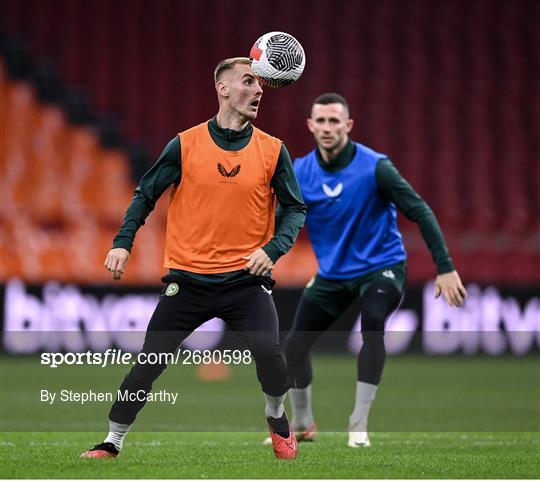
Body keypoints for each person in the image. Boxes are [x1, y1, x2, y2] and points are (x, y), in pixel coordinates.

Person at [80, 58, 306, 460]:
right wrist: (122, 242)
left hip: (245, 282)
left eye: (260, 85)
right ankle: (112, 441)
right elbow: (145, 193)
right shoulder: (185, 144)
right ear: (222, 88)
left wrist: (272, 250)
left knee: (270, 355)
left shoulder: (273, 151)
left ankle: (276, 415)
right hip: (187, 282)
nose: (259, 90)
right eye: (248, 82)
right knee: (148, 364)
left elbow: (295, 209)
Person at [283, 93, 467, 447]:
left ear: (348, 126)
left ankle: (358, 424)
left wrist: (444, 268)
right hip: (333, 275)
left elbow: (420, 211)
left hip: (381, 267)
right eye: (320, 121)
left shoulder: (375, 167)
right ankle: (303, 421)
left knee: (372, 323)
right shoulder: (301, 171)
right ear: (310, 125)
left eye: (334, 121)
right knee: (293, 347)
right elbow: (281, 220)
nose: (326, 128)